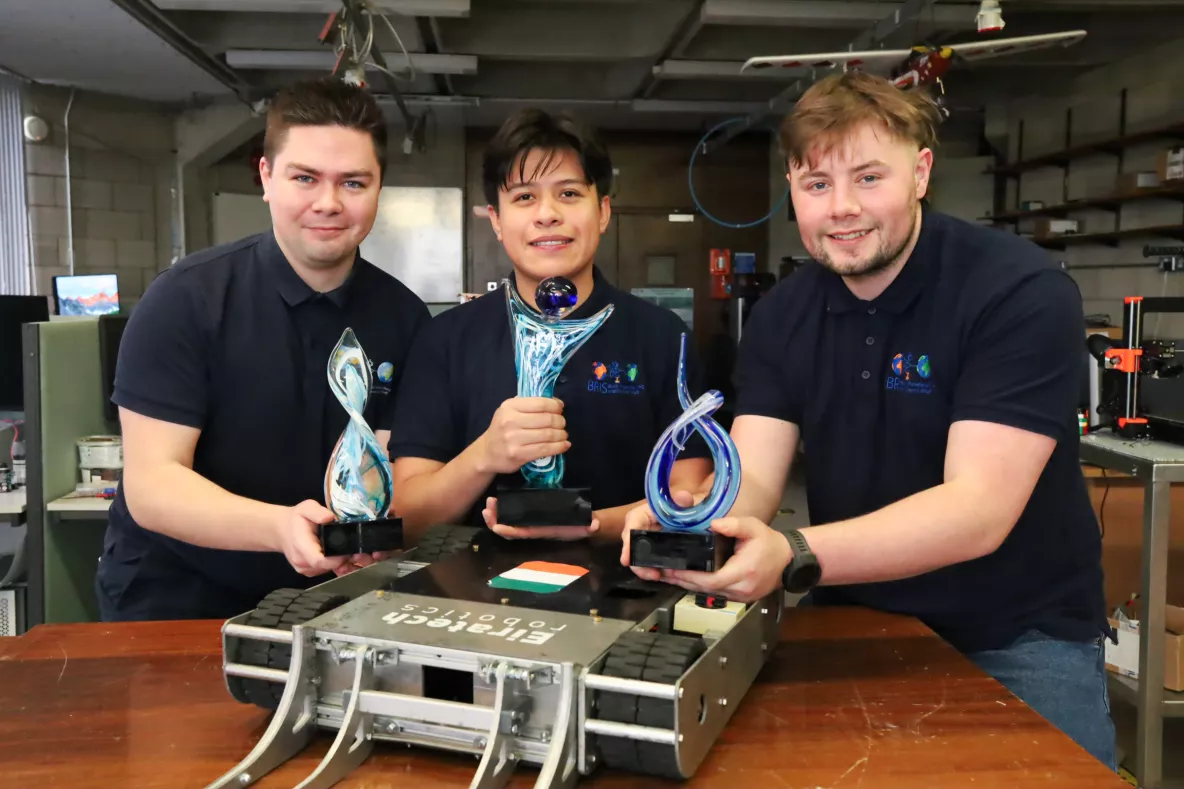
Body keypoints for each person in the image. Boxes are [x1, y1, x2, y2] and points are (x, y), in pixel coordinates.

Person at [621, 71, 1116, 769]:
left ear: (920, 173)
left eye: (868, 177)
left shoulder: (1017, 291)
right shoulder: (784, 314)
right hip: (855, 622)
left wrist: (790, 552)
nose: (842, 208)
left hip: (1019, 636)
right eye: (816, 184)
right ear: (792, 188)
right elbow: (755, 472)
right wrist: (694, 523)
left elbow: (978, 509)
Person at [96, 77, 431, 621]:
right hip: (179, 598)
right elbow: (153, 484)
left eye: (353, 182)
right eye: (305, 178)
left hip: (333, 598)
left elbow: (391, 461)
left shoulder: (404, 318)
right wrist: (278, 528)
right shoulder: (186, 300)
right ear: (266, 177)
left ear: (378, 188)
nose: (328, 202)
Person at [388, 108, 711, 544]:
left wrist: (590, 526)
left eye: (569, 194)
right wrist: (484, 455)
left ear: (602, 211)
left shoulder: (661, 336)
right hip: (471, 595)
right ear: (497, 221)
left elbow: (687, 494)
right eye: (524, 197)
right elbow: (408, 516)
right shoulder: (445, 340)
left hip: (626, 587)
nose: (547, 214)